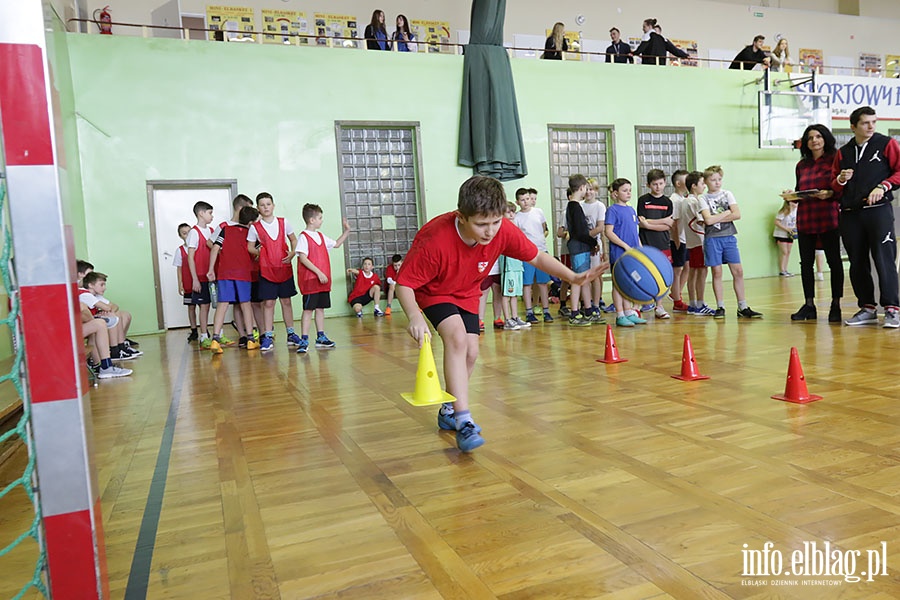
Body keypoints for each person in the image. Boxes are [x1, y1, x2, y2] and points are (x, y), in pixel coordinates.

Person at [394, 176, 606, 452]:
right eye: (481, 224)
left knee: (471, 352)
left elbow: (537, 257)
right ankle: (464, 420)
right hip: (434, 291)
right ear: (461, 217)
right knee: (456, 338)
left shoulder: (502, 229)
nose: (490, 231)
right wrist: (414, 316)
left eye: (495, 222)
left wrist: (574, 277)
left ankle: (449, 407)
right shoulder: (434, 238)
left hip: (467, 291)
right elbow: (405, 284)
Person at [832, 106, 900, 327]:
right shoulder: (843, 152)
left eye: (874, 122)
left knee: (884, 260)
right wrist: (841, 179)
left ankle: (892, 309)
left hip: (878, 212)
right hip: (851, 215)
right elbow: (834, 185)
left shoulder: (886, 144)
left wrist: (884, 185)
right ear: (853, 126)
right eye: (865, 123)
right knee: (857, 263)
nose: (871, 126)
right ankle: (867, 308)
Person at [790, 125, 843, 322]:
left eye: (818, 136)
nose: (814, 140)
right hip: (805, 219)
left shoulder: (835, 160)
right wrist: (792, 196)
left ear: (825, 139)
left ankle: (835, 304)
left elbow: (841, 189)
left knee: (834, 262)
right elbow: (799, 189)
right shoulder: (801, 165)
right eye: (810, 137)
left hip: (828, 217)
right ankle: (809, 304)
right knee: (806, 264)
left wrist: (830, 193)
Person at [699, 166, 763, 319]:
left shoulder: (728, 194)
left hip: (728, 237)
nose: (717, 183)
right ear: (706, 182)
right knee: (717, 272)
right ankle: (720, 306)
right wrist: (727, 212)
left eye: (719, 179)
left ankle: (742, 306)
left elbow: (737, 214)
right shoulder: (703, 198)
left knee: (738, 271)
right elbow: (707, 220)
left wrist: (719, 216)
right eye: (713, 180)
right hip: (713, 238)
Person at [246, 192, 300, 352]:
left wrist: (292, 252)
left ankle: (291, 334)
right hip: (266, 270)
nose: (266, 207)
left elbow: (294, 239)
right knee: (268, 303)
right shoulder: (255, 228)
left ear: (273, 205)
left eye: (268, 204)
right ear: (258, 208)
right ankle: (267, 336)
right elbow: (249, 247)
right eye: (262, 205)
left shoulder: (284, 222)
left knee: (286, 301)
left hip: (284, 268)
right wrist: (262, 254)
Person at [295, 203, 352, 353]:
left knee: (320, 309)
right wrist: (319, 272)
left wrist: (347, 231)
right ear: (312, 220)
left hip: (323, 281)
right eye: (320, 218)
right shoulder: (303, 236)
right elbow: (303, 258)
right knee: (308, 310)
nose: (322, 220)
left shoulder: (321, 236)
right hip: (310, 281)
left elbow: (337, 244)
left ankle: (321, 337)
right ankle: (304, 339)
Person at [206, 206, 261, 353]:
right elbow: (256, 254)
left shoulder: (226, 230)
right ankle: (250, 339)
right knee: (246, 304)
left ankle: (215, 340)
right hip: (243, 274)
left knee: (222, 305)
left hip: (225, 273)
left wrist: (211, 269)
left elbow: (215, 248)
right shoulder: (252, 234)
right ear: (250, 222)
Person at [605, 178, 646, 327]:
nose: (628, 193)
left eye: (630, 190)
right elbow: (608, 232)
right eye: (624, 190)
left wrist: (640, 248)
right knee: (618, 284)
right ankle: (620, 314)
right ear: (615, 193)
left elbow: (635, 232)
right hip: (619, 253)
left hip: (632, 254)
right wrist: (624, 246)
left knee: (629, 283)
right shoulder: (612, 210)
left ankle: (629, 312)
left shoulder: (631, 209)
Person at [637, 169, 674, 319]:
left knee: (661, 276)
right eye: (654, 184)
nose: (657, 187)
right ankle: (640, 304)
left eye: (660, 183)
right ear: (648, 185)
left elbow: (668, 225)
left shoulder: (667, 202)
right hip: (645, 243)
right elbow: (641, 221)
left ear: (665, 183)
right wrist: (661, 221)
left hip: (663, 243)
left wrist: (650, 224)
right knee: (644, 274)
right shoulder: (643, 200)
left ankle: (659, 306)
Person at [514, 188, 554, 324]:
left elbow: (543, 228)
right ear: (518, 202)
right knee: (527, 283)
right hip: (526, 254)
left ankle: (546, 310)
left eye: (527, 199)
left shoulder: (538, 212)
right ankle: (529, 311)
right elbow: (517, 236)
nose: (526, 202)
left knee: (543, 283)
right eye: (522, 200)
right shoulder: (517, 217)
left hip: (541, 251)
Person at [565, 174, 598, 326]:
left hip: (581, 246)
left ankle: (588, 310)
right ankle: (574, 313)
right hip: (578, 247)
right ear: (582, 188)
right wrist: (592, 242)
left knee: (584, 279)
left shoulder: (574, 206)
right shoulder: (575, 207)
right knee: (578, 280)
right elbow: (580, 232)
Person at [683, 172, 715, 316]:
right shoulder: (694, 202)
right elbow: (703, 220)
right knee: (701, 271)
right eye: (702, 183)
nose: (704, 186)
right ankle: (700, 304)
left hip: (691, 240)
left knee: (693, 272)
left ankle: (693, 304)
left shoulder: (686, 201)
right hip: (698, 239)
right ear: (694, 186)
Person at [186, 200, 215, 348]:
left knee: (212, 305)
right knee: (204, 306)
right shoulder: (194, 232)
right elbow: (190, 257)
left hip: (211, 276)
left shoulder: (211, 231)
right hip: (200, 276)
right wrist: (195, 279)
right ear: (201, 213)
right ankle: (204, 336)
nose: (212, 216)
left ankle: (215, 334)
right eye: (210, 213)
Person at [81, 302, 132, 379]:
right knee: (99, 323)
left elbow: (114, 306)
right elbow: (83, 314)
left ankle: (103, 365)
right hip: (61, 332)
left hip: (70, 326)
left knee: (100, 323)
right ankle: (105, 365)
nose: (104, 288)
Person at [499, 202, 530, 329]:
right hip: (508, 266)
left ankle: (515, 317)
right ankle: (507, 319)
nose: (511, 214)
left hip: (517, 265)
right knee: (507, 293)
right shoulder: (501, 228)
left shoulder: (516, 227)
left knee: (515, 294)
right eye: (508, 212)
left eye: (513, 211)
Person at [582, 178, 607, 322]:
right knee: (585, 275)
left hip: (594, 245)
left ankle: (596, 304)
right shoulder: (580, 205)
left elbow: (600, 228)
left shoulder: (599, 206)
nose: (589, 192)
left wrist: (585, 237)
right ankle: (587, 303)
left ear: (596, 191)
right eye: (587, 189)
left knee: (596, 276)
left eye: (592, 189)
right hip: (582, 246)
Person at [172, 223, 199, 342]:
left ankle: (204, 329)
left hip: (199, 281)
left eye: (189, 232)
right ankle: (194, 330)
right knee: (191, 307)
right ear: (180, 236)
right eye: (184, 233)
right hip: (188, 283)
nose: (187, 235)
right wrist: (180, 284)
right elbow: (179, 268)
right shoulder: (180, 251)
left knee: (203, 306)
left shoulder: (198, 248)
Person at [669, 170, 690, 313]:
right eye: (686, 181)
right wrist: (677, 241)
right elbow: (674, 223)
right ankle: (677, 301)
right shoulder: (674, 200)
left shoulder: (683, 199)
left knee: (687, 267)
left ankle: (675, 292)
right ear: (678, 183)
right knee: (677, 270)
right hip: (678, 240)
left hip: (686, 239)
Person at [773, 199, 798, 277]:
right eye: (794, 202)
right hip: (781, 234)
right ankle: (782, 270)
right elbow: (776, 222)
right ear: (789, 203)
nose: (796, 204)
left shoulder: (796, 211)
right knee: (784, 252)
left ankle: (786, 270)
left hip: (790, 235)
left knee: (788, 252)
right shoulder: (783, 212)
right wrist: (786, 229)